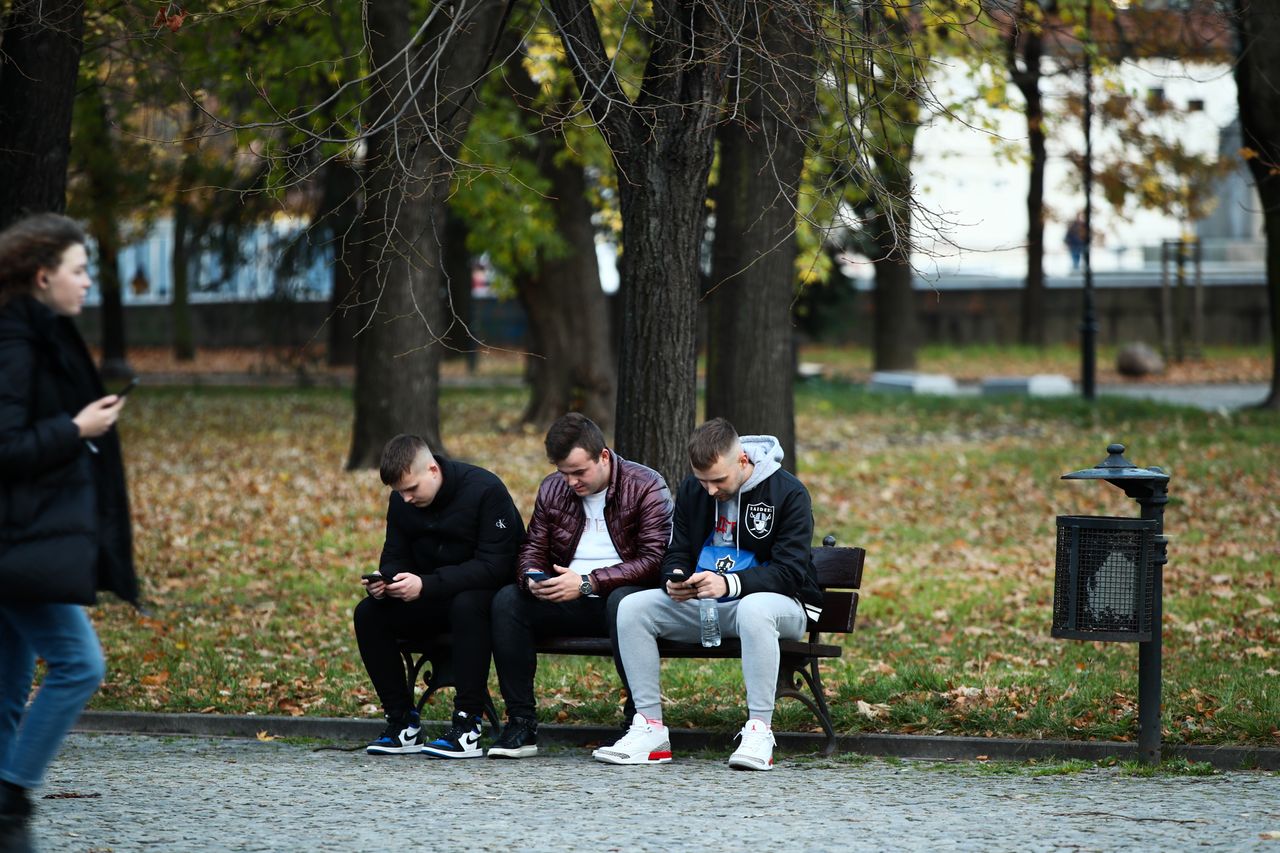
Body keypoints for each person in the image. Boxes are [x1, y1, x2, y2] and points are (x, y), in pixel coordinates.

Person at [0, 213, 138, 848]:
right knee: (79, 665)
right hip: (20, 540)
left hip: (30, 535)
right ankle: (12, 788)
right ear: (42, 275)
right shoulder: (15, 341)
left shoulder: (42, 335)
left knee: (6, 684)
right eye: (79, 271)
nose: (87, 283)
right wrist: (78, 429)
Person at [595, 418, 822, 771]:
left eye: (719, 480)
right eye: (703, 481)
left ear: (743, 460)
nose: (711, 490)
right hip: (707, 605)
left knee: (754, 609)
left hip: (780, 608)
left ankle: (760, 730)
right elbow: (678, 549)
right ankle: (651, 730)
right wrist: (675, 578)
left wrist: (730, 584)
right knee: (632, 608)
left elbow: (790, 573)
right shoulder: (693, 490)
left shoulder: (787, 493)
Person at [486, 413, 672, 759]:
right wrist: (532, 578)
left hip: (621, 598)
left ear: (603, 457)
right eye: (563, 472)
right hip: (566, 596)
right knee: (508, 600)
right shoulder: (552, 488)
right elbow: (532, 549)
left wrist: (587, 583)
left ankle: (639, 721)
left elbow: (653, 562)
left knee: (624, 603)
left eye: (579, 471)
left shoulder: (645, 485)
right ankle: (522, 723)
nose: (571, 481)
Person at [354, 434, 524, 758]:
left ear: (432, 470)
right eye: (398, 492)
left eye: (411, 489)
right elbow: (394, 555)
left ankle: (467, 724)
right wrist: (386, 582)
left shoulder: (485, 490)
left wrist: (426, 585)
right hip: (429, 597)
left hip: (485, 596)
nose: (405, 498)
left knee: (467, 604)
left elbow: (496, 566)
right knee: (369, 613)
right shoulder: (403, 503)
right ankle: (402, 722)